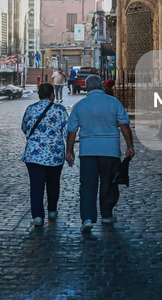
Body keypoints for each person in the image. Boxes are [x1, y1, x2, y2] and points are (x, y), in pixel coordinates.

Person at [66, 75, 135, 233]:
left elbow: (72, 131)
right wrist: (130, 146)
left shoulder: (80, 105)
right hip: (110, 150)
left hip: (88, 150)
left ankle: (87, 218)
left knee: (87, 185)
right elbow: (124, 125)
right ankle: (106, 214)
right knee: (109, 183)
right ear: (102, 86)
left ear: (86, 86)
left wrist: (69, 151)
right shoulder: (114, 102)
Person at [21, 83, 69, 226]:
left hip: (33, 154)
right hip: (55, 154)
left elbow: (24, 127)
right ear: (52, 94)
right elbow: (67, 131)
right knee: (53, 183)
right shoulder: (59, 110)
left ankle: (37, 216)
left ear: (39, 94)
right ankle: (52, 210)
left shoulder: (30, 109)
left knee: (36, 185)